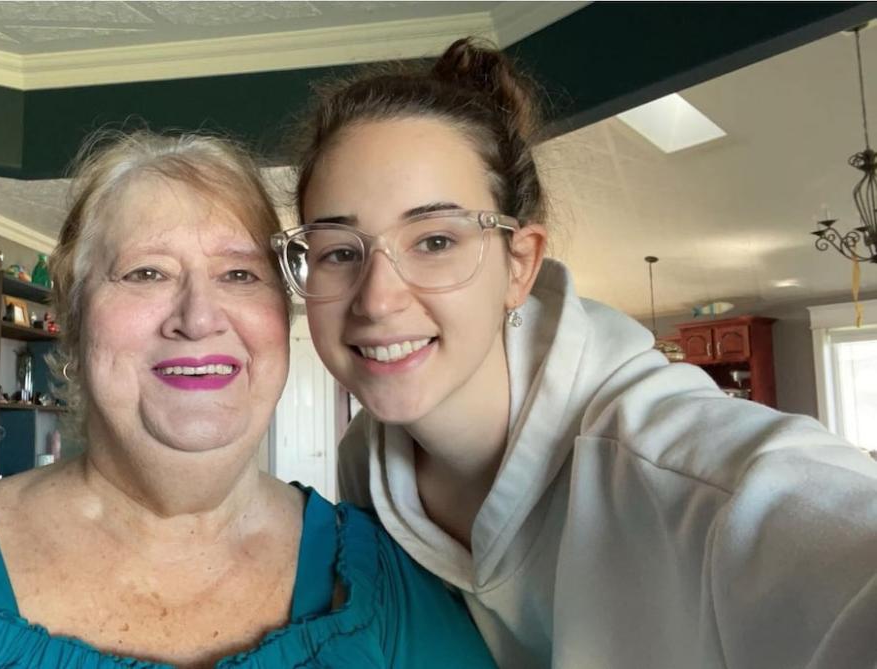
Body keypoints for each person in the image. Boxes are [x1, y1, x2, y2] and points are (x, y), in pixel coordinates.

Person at [0, 130, 495, 668]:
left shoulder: (389, 585)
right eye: (146, 272)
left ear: (285, 315)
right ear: (74, 323)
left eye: (241, 275)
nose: (198, 315)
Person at [276, 38, 877, 668]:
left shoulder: (693, 477)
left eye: (434, 240)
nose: (376, 299)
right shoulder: (363, 467)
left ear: (520, 265)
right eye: (339, 251)